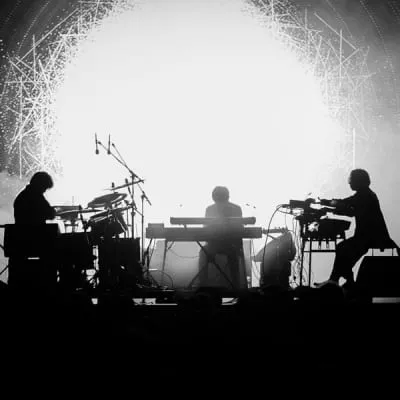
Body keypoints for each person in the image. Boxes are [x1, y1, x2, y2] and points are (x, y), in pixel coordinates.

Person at [319, 168, 393, 288]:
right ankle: (343, 282)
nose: (350, 183)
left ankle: (337, 281)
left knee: (343, 250)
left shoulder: (364, 195)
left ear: (359, 181)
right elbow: (350, 209)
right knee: (345, 253)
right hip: (368, 237)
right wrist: (328, 206)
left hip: (369, 238)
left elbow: (347, 205)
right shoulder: (366, 194)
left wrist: (326, 204)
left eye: (352, 180)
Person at [9, 171, 57, 292]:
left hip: (21, 242)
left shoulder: (23, 195)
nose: (44, 191)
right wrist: (53, 211)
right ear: (40, 185)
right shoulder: (35, 196)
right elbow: (50, 214)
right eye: (44, 188)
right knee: (64, 250)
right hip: (34, 241)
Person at [198, 186, 245, 290]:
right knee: (233, 254)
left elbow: (205, 229)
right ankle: (236, 285)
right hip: (232, 245)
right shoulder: (236, 208)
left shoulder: (210, 209)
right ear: (227, 196)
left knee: (203, 252)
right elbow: (240, 228)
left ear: (213, 197)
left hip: (215, 245)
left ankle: (202, 285)